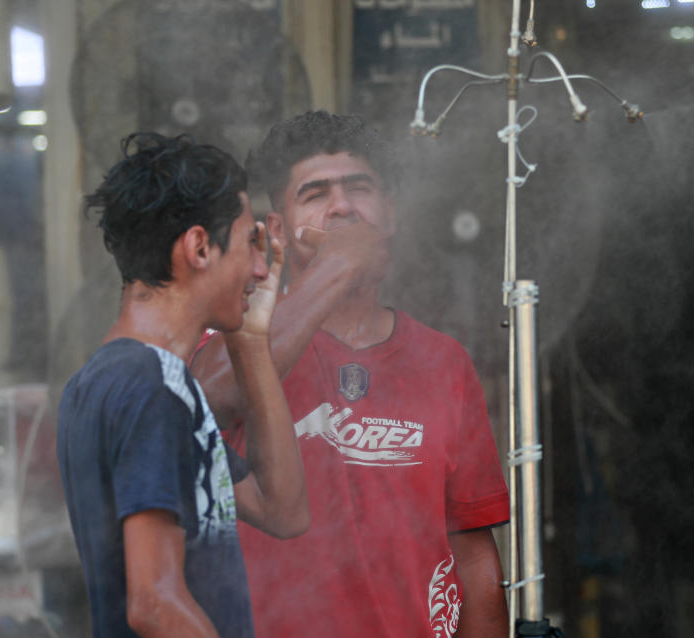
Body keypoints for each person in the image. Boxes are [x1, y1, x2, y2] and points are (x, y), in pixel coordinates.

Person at [191, 111, 509, 638]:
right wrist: (338, 267)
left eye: (359, 189)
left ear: (389, 214)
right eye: (315, 194)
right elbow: (207, 398)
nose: (342, 206)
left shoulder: (446, 362)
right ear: (277, 230)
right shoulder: (229, 343)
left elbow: (473, 556)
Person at [56, 132, 309, 638]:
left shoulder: (114, 380)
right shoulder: (150, 386)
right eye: (247, 246)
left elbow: (281, 510)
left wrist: (251, 341)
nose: (262, 269)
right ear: (198, 248)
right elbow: (153, 603)